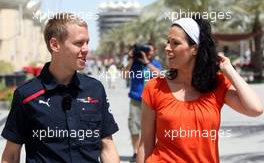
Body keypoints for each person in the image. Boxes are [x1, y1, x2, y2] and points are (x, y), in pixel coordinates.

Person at [137, 17, 263, 163]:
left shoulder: (216, 85)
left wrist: (230, 70)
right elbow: (145, 144)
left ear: (194, 48)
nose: (167, 48)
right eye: (168, 42)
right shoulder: (154, 87)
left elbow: (255, 109)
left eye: (175, 43)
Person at [1, 13, 119, 163]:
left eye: (87, 42)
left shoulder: (95, 89)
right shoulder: (26, 95)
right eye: (79, 43)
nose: (86, 49)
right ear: (55, 45)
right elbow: (11, 155)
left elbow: (107, 148)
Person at [122, 43, 163, 162]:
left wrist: (147, 63)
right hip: (136, 100)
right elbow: (124, 76)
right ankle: (135, 152)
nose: (147, 53)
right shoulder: (134, 64)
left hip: (152, 102)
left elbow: (161, 75)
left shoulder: (155, 64)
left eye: (149, 51)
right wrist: (130, 59)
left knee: (154, 128)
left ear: (154, 51)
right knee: (134, 127)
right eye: (145, 51)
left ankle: (153, 151)